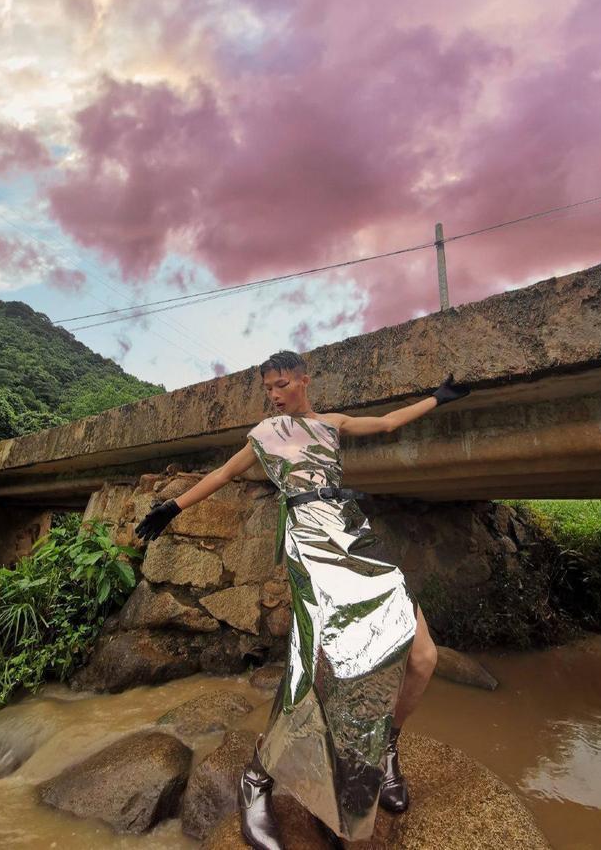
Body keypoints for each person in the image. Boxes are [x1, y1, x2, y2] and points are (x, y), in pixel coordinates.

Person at [135, 350, 470, 848]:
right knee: (313, 667)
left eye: (282, 384)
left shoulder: (331, 423)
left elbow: (385, 423)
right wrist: (171, 507)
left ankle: (385, 749)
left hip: (353, 533)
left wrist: (436, 399)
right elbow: (223, 475)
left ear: (304, 380)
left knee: (422, 656)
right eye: (268, 387)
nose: (274, 394)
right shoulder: (263, 435)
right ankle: (257, 779)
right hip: (309, 545)